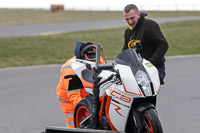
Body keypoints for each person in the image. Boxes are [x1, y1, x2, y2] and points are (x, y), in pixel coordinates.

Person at [56, 41, 104, 128]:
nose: (93, 60)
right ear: (81, 57)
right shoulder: (70, 69)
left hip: (90, 96)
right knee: (77, 126)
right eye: (89, 59)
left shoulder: (99, 60)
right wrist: (90, 109)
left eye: (94, 57)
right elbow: (73, 96)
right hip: (71, 102)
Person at [122, 4, 169, 82]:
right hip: (138, 71)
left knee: (147, 94)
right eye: (127, 19)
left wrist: (150, 62)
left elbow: (163, 45)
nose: (130, 22)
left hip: (154, 68)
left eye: (132, 18)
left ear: (139, 15)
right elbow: (126, 51)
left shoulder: (149, 25)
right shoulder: (128, 32)